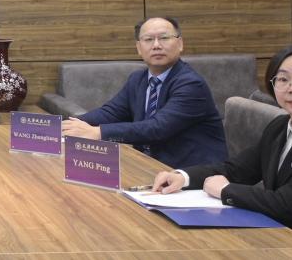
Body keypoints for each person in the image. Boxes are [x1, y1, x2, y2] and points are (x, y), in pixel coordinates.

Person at [152, 45, 292, 258]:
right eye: (283, 79)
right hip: (286, 243)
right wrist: (183, 177)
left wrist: (226, 190)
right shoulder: (279, 127)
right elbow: (236, 170)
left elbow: (287, 204)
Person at [61, 16, 226, 168]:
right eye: (148, 39)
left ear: (180, 44)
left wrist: (98, 132)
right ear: (139, 48)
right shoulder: (138, 79)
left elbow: (157, 128)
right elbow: (110, 113)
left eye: (164, 38)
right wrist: (64, 127)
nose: (156, 45)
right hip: (150, 165)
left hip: (192, 174)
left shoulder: (191, 84)